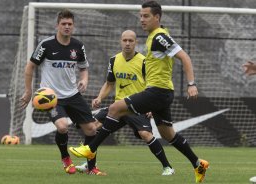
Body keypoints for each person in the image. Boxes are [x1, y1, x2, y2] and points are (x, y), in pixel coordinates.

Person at [69, 1, 209, 183]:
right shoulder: (153, 37)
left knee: (115, 108)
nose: (141, 19)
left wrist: (191, 83)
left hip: (158, 91)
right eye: (141, 15)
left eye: (146, 16)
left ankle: (91, 148)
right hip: (163, 93)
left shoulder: (159, 37)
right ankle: (198, 164)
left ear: (157, 17)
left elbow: (184, 57)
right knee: (168, 134)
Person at [75, 30, 175, 175]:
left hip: (137, 107)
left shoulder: (144, 61)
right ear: (120, 41)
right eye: (125, 40)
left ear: (136, 42)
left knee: (146, 135)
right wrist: (99, 98)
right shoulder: (114, 60)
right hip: (118, 108)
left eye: (131, 41)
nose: (127, 43)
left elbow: (152, 84)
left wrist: (150, 106)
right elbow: (109, 83)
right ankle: (90, 164)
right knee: (92, 127)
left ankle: (168, 167)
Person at [20, 9, 106, 176]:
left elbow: (83, 68)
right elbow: (30, 67)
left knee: (91, 130)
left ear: (73, 26)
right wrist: (29, 90)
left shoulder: (78, 46)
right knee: (62, 126)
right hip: (51, 97)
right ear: (57, 25)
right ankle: (66, 158)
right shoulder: (46, 45)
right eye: (63, 24)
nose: (67, 27)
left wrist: (84, 80)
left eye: (70, 24)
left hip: (73, 95)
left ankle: (91, 167)